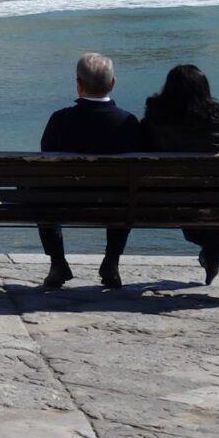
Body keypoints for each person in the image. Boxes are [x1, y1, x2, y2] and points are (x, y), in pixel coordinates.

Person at [36, 52, 147, 292]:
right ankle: (111, 261)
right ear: (113, 83)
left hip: (63, 202)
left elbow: (45, 164)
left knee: (40, 190)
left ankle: (57, 262)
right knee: (125, 188)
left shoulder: (59, 120)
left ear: (79, 85)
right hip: (117, 203)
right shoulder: (128, 122)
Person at [141, 63, 219, 283]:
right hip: (214, 199)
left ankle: (211, 250)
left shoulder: (153, 121)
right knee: (217, 199)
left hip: (161, 201)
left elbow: (137, 151)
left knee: (186, 195)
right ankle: (214, 252)